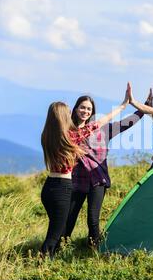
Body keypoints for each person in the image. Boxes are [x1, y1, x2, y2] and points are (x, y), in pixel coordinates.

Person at [39, 88, 130, 259]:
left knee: (56, 229)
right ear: (63, 117)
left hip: (48, 188)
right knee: (54, 235)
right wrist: (122, 106)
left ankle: (49, 258)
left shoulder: (46, 136)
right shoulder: (72, 136)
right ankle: (42, 265)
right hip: (62, 189)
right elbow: (100, 122)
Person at [65, 91, 153, 249]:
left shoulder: (101, 130)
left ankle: (94, 251)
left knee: (93, 218)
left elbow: (126, 124)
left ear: (92, 112)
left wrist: (143, 109)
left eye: (89, 109)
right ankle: (60, 246)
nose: (85, 111)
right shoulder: (69, 132)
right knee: (70, 216)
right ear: (76, 109)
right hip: (77, 180)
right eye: (82, 108)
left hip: (97, 179)